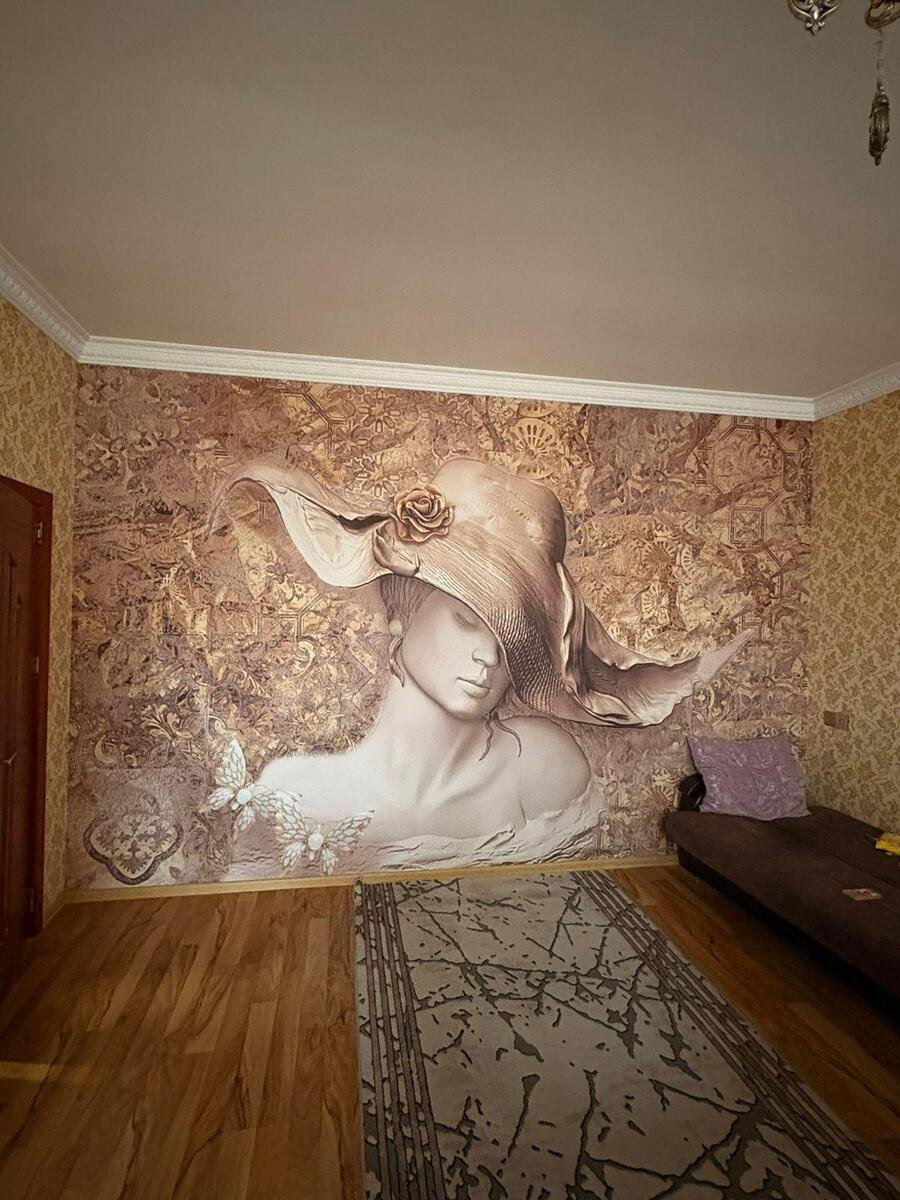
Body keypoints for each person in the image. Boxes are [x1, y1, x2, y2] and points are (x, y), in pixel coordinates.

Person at [207, 457, 751, 873]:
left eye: (513, 638)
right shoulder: (298, 793)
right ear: (399, 612)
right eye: (467, 619)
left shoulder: (542, 768)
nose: (491, 657)